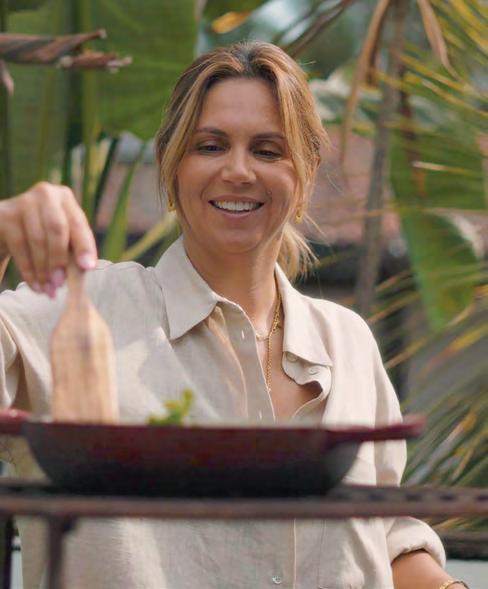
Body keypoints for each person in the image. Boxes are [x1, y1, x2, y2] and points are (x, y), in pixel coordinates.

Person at [0, 42, 467, 589]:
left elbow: (383, 533)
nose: (238, 170)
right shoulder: (73, 313)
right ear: (171, 164)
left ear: (305, 175)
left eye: (268, 151)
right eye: (210, 145)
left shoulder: (348, 341)